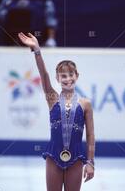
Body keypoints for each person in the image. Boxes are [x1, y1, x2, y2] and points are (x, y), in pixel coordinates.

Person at [18, 32, 95, 191]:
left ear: (77, 76)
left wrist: (90, 162)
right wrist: (37, 50)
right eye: (63, 76)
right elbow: (43, 74)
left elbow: (90, 135)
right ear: (58, 79)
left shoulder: (85, 104)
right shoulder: (52, 98)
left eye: (71, 75)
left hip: (76, 158)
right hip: (54, 157)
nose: (67, 79)